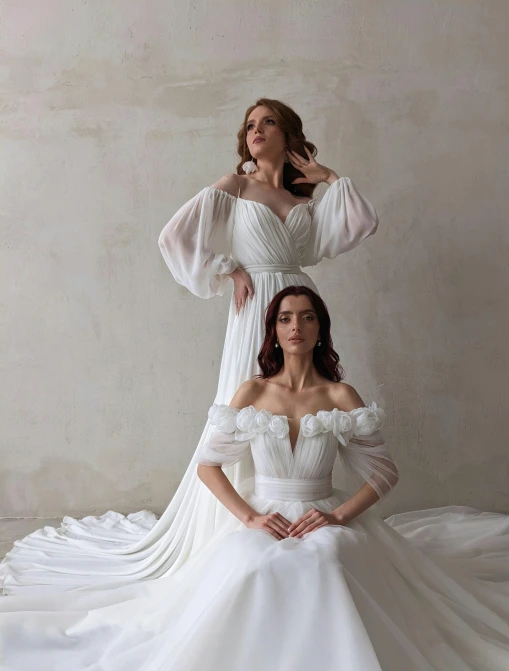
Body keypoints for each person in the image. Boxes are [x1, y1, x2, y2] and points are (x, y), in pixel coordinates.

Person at [1, 286, 509, 671]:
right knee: (253, 568)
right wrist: (248, 517)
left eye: (307, 318)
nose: (296, 327)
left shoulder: (340, 395)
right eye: (286, 318)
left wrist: (339, 516)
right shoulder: (251, 391)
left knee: (330, 562)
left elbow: (385, 472)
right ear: (273, 330)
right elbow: (208, 467)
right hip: (265, 512)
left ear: (320, 329)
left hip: (324, 512)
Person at [0, 98, 379, 594]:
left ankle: (289, 506)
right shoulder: (236, 187)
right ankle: (237, 525)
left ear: (289, 136)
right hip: (255, 310)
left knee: (291, 407)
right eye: (249, 125)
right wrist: (229, 268)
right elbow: (173, 236)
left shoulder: (306, 202)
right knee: (247, 406)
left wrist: (326, 174)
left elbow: (360, 221)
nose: (257, 131)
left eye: (268, 123)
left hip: (295, 303)